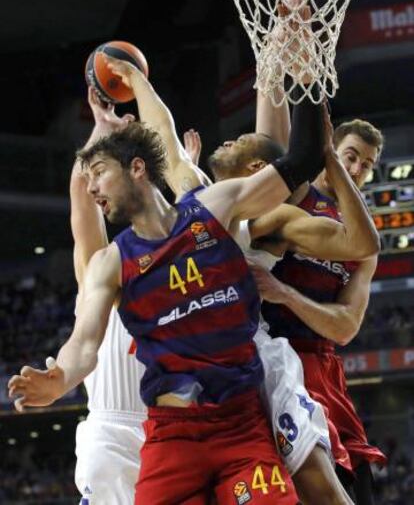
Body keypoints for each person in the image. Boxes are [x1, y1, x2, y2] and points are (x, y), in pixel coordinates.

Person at [8, 66, 328, 503]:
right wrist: (60, 377)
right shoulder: (111, 263)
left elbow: (301, 159)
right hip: (170, 435)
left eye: (100, 172)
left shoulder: (212, 210)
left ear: (137, 168)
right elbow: (84, 344)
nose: (93, 187)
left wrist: (305, 74)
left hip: (239, 423)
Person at [101, 52, 378, 505]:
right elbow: (164, 139)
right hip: (196, 371)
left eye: (241, 141)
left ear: (255, 169)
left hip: (255, 357)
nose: (229, 141)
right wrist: (136, 81)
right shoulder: (198, 197)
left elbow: (360, 245)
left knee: (316, 482)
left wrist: (331, 161)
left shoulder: (270, 219)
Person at [257, 118, 387, 505]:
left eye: (367, 164)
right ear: (330, 154)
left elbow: (345, 327)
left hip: (320, 364)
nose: (358, 169)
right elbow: (271, 137)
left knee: (354, 480)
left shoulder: (364, 238)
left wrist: (287, 295)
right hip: (266, 354)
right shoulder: (294, 196)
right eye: (351, 156)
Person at [70, 88, 146, 504]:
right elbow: (82, 209)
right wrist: (100, 132)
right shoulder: (98, 273)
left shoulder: (172, 276)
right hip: (113, 437)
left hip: (172, 434)